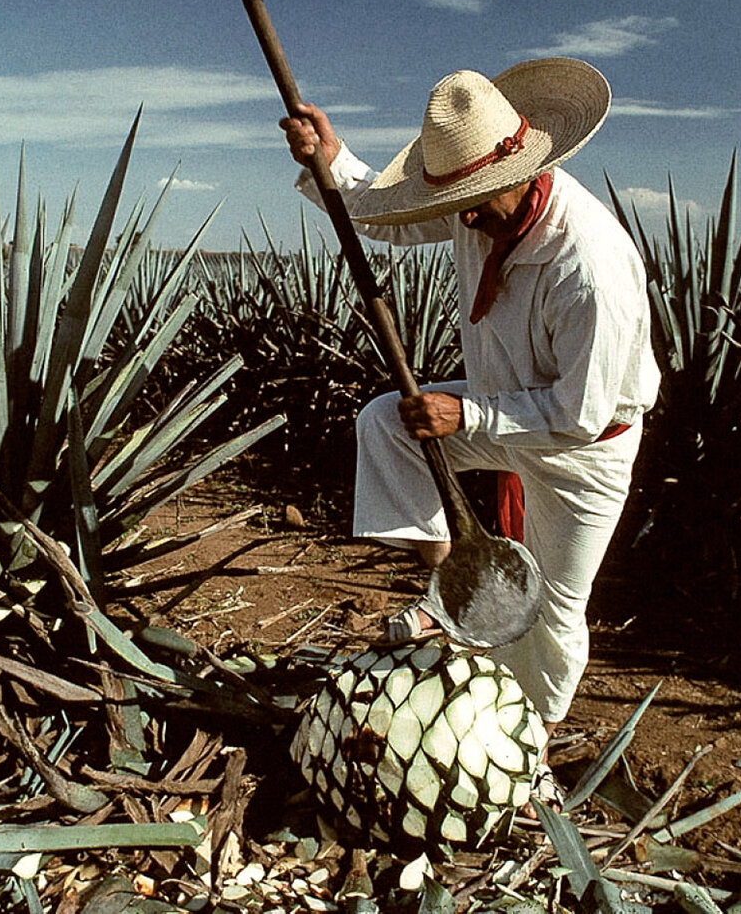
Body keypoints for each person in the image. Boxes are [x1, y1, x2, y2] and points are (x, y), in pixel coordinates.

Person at [279, 57, 660, 729]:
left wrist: (468, 413)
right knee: (388, 424)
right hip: (500, 406)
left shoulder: (589, 269)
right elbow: (388, 214)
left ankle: (531, 736)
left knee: (553, 611)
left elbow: (579, 414)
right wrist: (331, 161)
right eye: (459, 202)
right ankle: (459, 580)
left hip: (583, 450)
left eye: (479, 198)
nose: (467, 216)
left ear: (523, 171)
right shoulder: (477, 206)